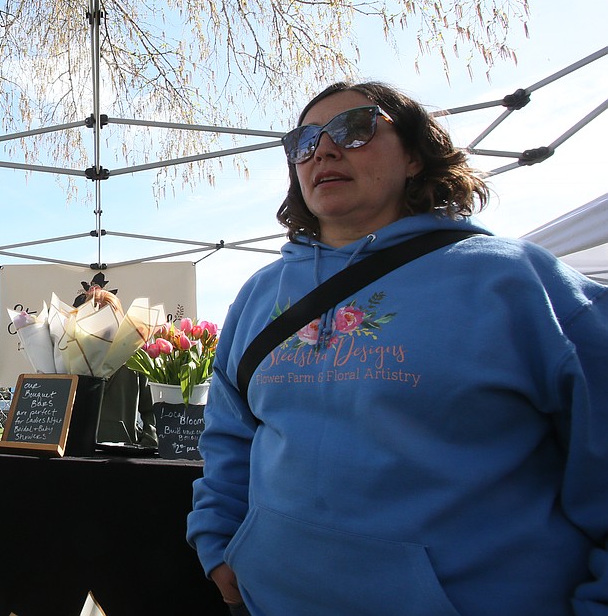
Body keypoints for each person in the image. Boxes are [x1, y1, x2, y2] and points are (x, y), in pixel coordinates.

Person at [187, 81, 608, 615]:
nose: (325, 149)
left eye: (355, 128)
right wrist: (219, 545)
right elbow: (229, 437)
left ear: (414, 155)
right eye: (304, 140)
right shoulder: (259, 295)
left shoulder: (519, 284)